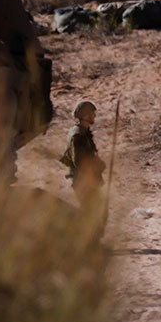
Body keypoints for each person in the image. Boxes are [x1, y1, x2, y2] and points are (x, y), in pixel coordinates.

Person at [60, 100, 106, 235]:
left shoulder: (83, 131)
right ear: (85, 115)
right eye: (92, 114)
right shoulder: (78, 134)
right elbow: (79, 160)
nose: (94, 116)